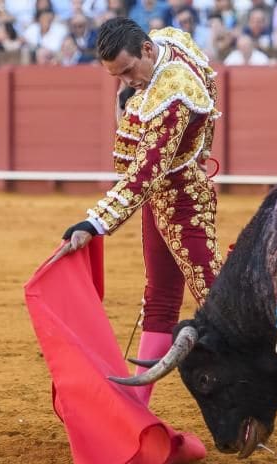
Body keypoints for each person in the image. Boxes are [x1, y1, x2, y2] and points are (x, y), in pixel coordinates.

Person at [54, 17, 223, 399]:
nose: (128, 81)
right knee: (159, 297)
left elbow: (142, 175)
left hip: (184, 201)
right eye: (117, 75)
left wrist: (94, 222)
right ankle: (137, 407)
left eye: (129, 71)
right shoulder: (166, 40)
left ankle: (255, 396)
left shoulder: (174, 94)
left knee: (216, 302)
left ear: (146, 51)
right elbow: (211, 83)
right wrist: (201, 148)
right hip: (162, 193)